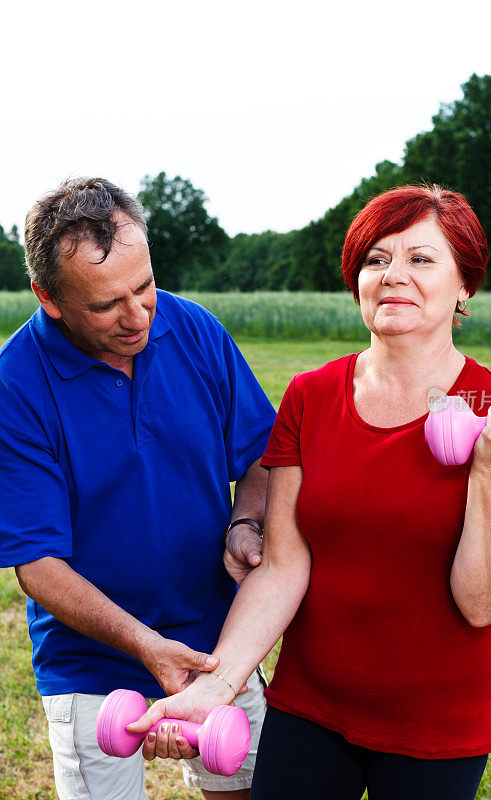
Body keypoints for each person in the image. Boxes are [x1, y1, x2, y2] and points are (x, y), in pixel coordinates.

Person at [129, 185, 491, 800]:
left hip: (435, 723)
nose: (393, 276)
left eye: (421, 259)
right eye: (376, 260)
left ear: (464, 285)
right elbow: (283, 567)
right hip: (309, 709)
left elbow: (482, 603)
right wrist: (215, 686)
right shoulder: (311, 396)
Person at [0, 177, 276, 800]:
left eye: (144, 286)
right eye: (106, 305)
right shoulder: (14, 385)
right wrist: (147, 648)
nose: (138, 316)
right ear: (50, 298)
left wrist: (247, 521)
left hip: (216, 638)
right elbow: (38, 566)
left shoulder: (195, 329)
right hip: (89, 660)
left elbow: (261, 452)